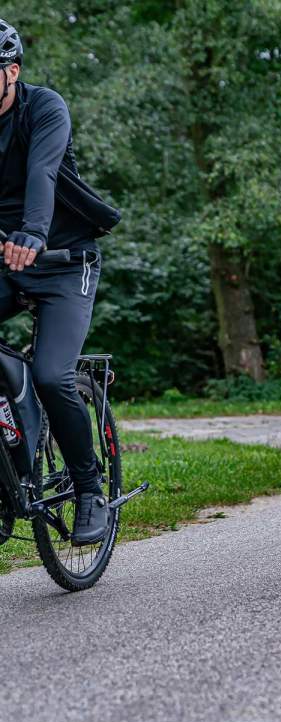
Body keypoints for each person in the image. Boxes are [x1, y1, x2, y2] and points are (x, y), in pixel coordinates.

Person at [0, 20, 108, 545]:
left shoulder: (44, 109)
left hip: (65, 260)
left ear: (11, 72)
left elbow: (43, 174)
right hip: (5, 261)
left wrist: (32, 235)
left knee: (50, 374)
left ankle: (90, 489)